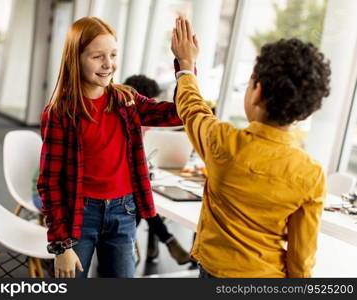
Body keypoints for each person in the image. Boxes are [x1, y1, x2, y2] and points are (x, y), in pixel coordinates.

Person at [171, 17, 330, 277]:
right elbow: (301, 258)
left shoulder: (221, 140)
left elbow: (191, 108)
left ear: (257, 91)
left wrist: (186, 66)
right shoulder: (311, 173)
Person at [37, 17, 183, 279]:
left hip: (123, 211)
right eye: (97, 56)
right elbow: (50, 183)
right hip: (79, 215)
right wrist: (61, 246)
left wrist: (184, 67)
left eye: (113, 54)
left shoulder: (126, 99)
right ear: (76, 58)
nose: (108, 64)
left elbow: (178, 114)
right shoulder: (60, 113)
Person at [124, 74, 191, 265]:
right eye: (150, 100)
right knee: (141, 202)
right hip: (117, 191)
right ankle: (166, 241)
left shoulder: (144, 124)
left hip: (133, 180)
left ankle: (150, 243)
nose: (153, 104)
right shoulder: (129, 121)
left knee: (143, 201)